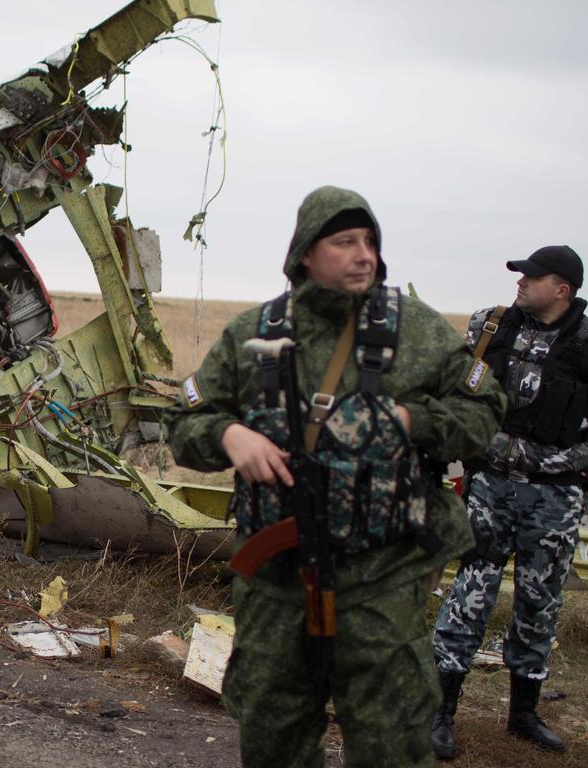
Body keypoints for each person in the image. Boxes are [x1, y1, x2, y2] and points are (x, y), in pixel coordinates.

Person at [164, 186, 505, 767]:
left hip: (383, 578)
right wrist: (229, 435)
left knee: (391, 738)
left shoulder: (416, 331)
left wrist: (412, 419)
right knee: (274, 734)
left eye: (370, 241)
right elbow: (184, 421)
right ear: (305, 253)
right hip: (275, 581)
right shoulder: (254, 333)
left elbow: (485, 410)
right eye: (345, 242)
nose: (364, 255)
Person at [431, 245, 587, 757]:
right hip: (489, 488)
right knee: (468, 596)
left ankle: (523, 714)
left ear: (562, 289)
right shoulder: (490, 326)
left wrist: (537, 459)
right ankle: (440, 713)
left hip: (556, 497)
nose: (519, 282)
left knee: (540, 603)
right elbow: (456, 395)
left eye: (532, 276)